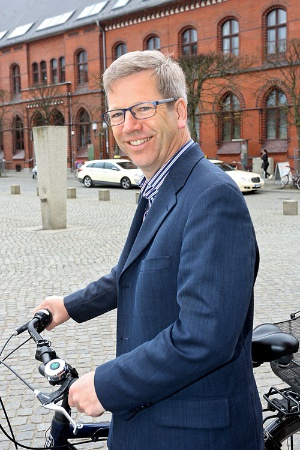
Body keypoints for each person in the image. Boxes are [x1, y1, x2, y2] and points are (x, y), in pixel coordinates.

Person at [34, 50, 264, 450]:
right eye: (118, 113)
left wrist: (105, 384)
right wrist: (70, 305)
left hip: (193, 434)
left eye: (142, 108)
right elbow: (136, 267)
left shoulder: (212, 196)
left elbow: (203, 337)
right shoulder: (160, 184)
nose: (129, 126)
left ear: (178, 110)